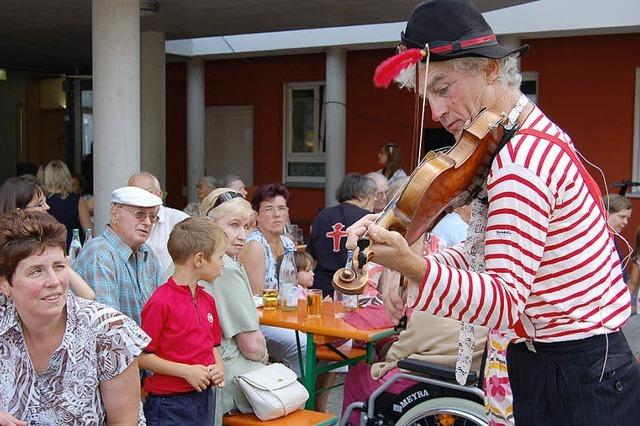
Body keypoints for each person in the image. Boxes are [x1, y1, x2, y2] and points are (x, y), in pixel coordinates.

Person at [346, 1, 640, 424]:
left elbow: (502, 301)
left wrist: (412, 265)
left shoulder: (519, 161)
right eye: (429, 94)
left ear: (488, 71)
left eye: (444, 88)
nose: (437, 111)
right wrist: (408, 260)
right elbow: (481, 254)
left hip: (575, 371)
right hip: (576, 364)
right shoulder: (517, 139)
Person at [0, 211, 148, 425]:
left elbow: (124, 422)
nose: (54, 281)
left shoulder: (109, 332)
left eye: (59, 267)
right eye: (36, 271)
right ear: (4, 283)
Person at [139, 217, 226, 426]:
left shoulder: (207, 300)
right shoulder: (160, 303)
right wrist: (186, 371)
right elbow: (141, 357)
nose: (224, 263)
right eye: (221, 256)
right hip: (169, 403)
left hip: (204, 396)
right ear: (199, 260)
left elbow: (211, 345)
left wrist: (219, 366)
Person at [199, 188, 268, 422]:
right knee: (291, 385)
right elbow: (253, 347)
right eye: (233, 225)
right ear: (210, 226)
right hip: (222, 378)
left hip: (194, 371)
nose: (242, 235)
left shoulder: (187, 256)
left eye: (246, 227)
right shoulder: (224, 266)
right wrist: (267, 358)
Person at [238, 183, 306, 376]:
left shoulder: (288, 243)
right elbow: (255, 300)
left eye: (281, 208)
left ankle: (319, 404)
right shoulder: (254, 246)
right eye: (269, 209)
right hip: (261, 322)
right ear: (256, 215)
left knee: (337, 341)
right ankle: (299, 397)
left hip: (287, 314)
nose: (277, 214)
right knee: (304, 345)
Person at [74, 186, 165, 325]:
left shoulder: (148, 253)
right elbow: (108, 327)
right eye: (139, 214)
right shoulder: (100, 253)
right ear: (115, 214)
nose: (147, 222)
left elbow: (164, 313)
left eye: (152, 217)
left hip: (145, 344)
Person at [0, 175, 95, 300]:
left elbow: (89, 296)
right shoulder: (9, 249)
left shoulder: (46, 241)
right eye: (40, 204)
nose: (47, 207)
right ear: (20, 212)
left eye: (45, 201)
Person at [307, 173, 376, 297]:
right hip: (353, 287)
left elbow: (310, 256)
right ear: (361, 196)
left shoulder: (322, 215)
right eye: (373, 195)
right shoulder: (366, 219)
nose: (375, 200)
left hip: (321, 288)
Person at [128, 172, 189, 277]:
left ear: (159, 195)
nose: (141, 198)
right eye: (135, 193)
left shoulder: (179, 220)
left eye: (148, 192)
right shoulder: (125, 222)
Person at [40, 160, 92, 249]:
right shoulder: (76, 199)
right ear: (67, 177)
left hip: (50, 248)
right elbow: (88, 230)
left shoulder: (42, 201)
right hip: (74, 249)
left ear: (47, 178)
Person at [603, 194, 633, 282]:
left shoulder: (612, 236)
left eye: (627, 218)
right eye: (622, 217)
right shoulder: (598, 239)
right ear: (606, 213)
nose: (626, 222)